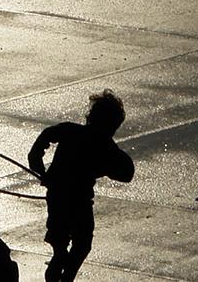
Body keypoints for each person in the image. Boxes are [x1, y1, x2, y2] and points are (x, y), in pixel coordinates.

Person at [28, 90, 135, 282]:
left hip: (58, 194)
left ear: (90, 117)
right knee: (82, 244)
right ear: (113, 126)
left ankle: (59, 262)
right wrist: (108, 163)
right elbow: (127, 172)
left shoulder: (72, 131)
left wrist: (36, 158)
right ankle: (66, 276)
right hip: (80, 201)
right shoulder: (106, 147)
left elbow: (47, 134)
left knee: (60, 238)